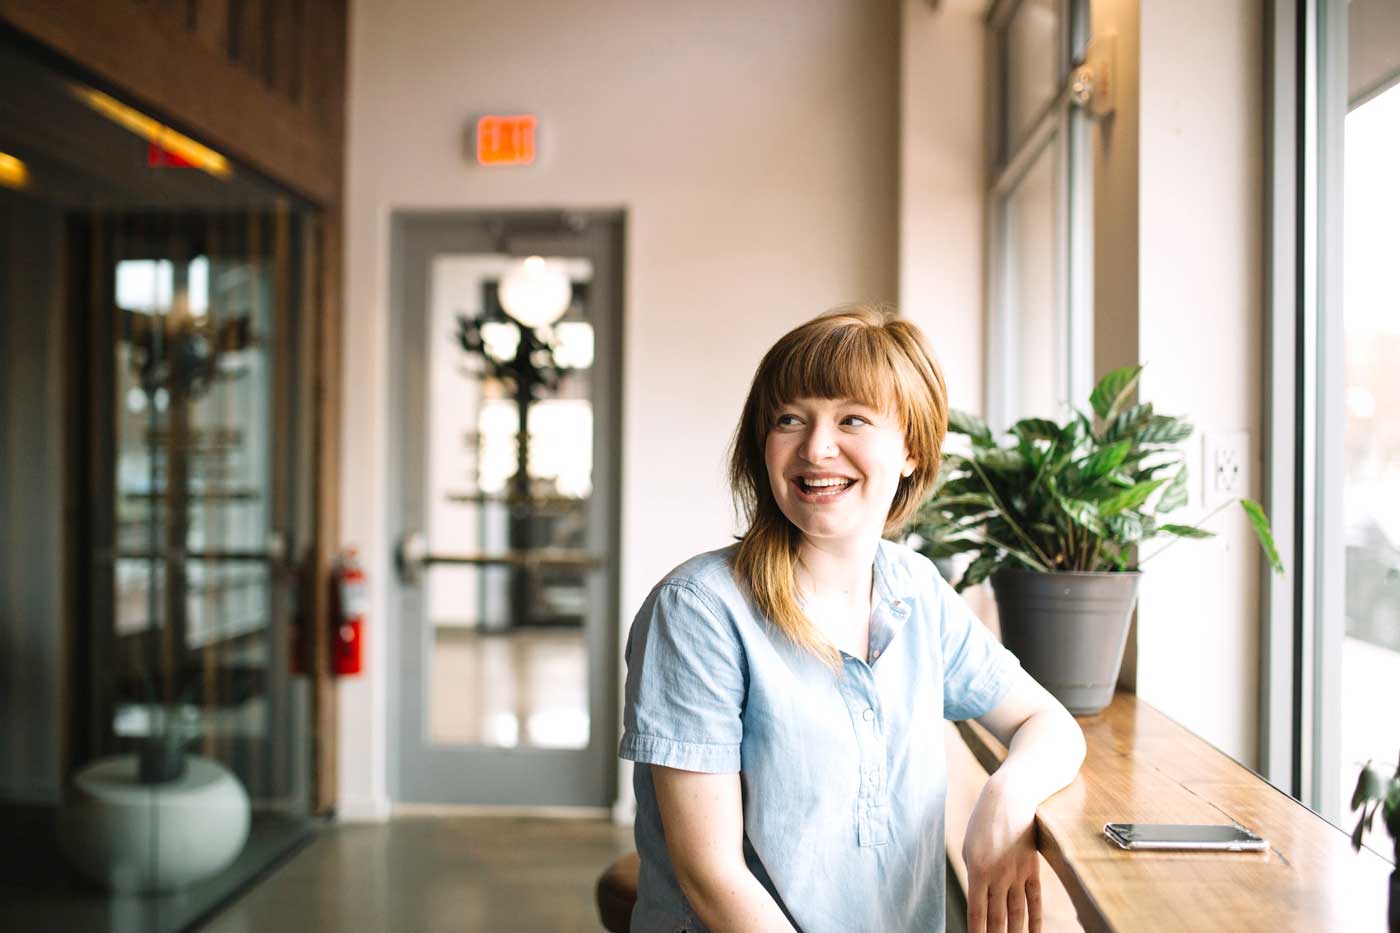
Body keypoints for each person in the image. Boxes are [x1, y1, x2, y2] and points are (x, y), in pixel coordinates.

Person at [619, 305, 1086, 933]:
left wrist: (1006, 797)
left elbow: (1047, 723)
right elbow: (713, 878)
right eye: (790, 419)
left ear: (912, 451)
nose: (816, 448)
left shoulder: (915, 589)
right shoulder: (698, 610)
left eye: (852, 420)